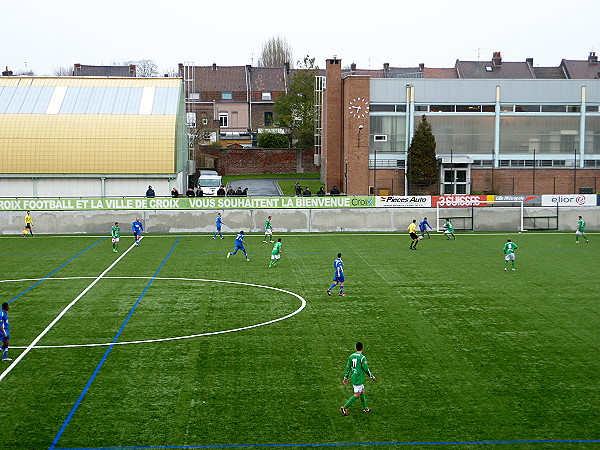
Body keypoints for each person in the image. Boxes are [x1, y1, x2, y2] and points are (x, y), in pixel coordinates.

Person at [340, 341, 375, 416]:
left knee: (362, 391)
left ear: (356, 348)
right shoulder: (362, 357)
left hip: (354, 377)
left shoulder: (351, 356)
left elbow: (348, 367)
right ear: (363, 348)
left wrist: (345, 377)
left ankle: (365, 408)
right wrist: (371, 376)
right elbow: (366, 369)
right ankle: (344, 407)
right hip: (358, 378)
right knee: (357, 394)